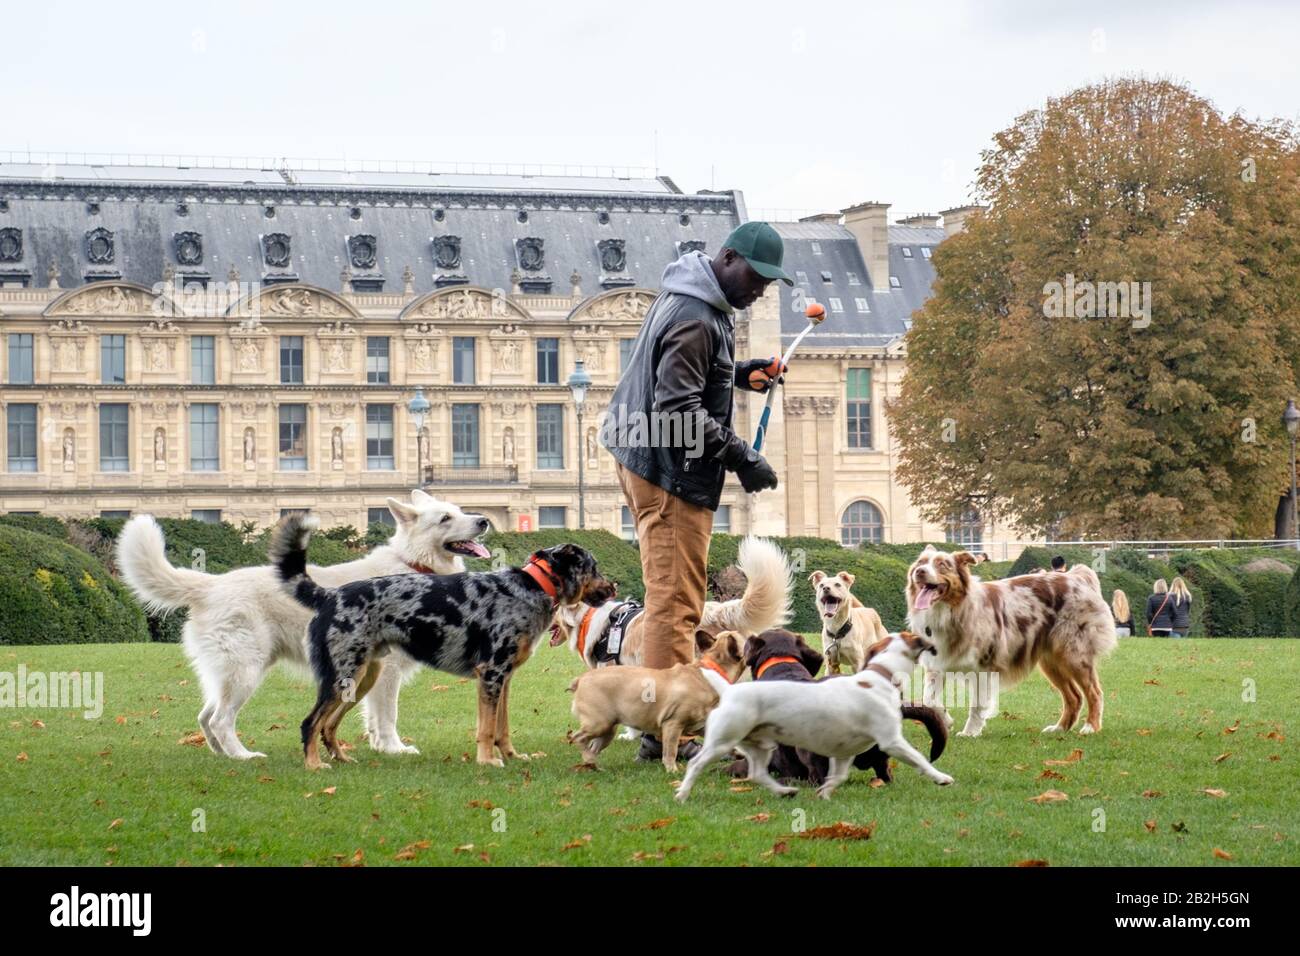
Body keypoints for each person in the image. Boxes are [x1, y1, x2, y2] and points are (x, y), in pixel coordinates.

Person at [602, 221, 791, 762]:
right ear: (728, 259)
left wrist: (740, 373)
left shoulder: (690, 295)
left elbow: (687, 376)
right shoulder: (697, 316)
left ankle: (662, 725)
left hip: (647, 456)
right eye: (756, 278)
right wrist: (742, 457)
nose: (760, 291)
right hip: (668, 472)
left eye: (769, 284)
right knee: (676, 605)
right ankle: (664, 732)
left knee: (674, 599)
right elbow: (677, 409)